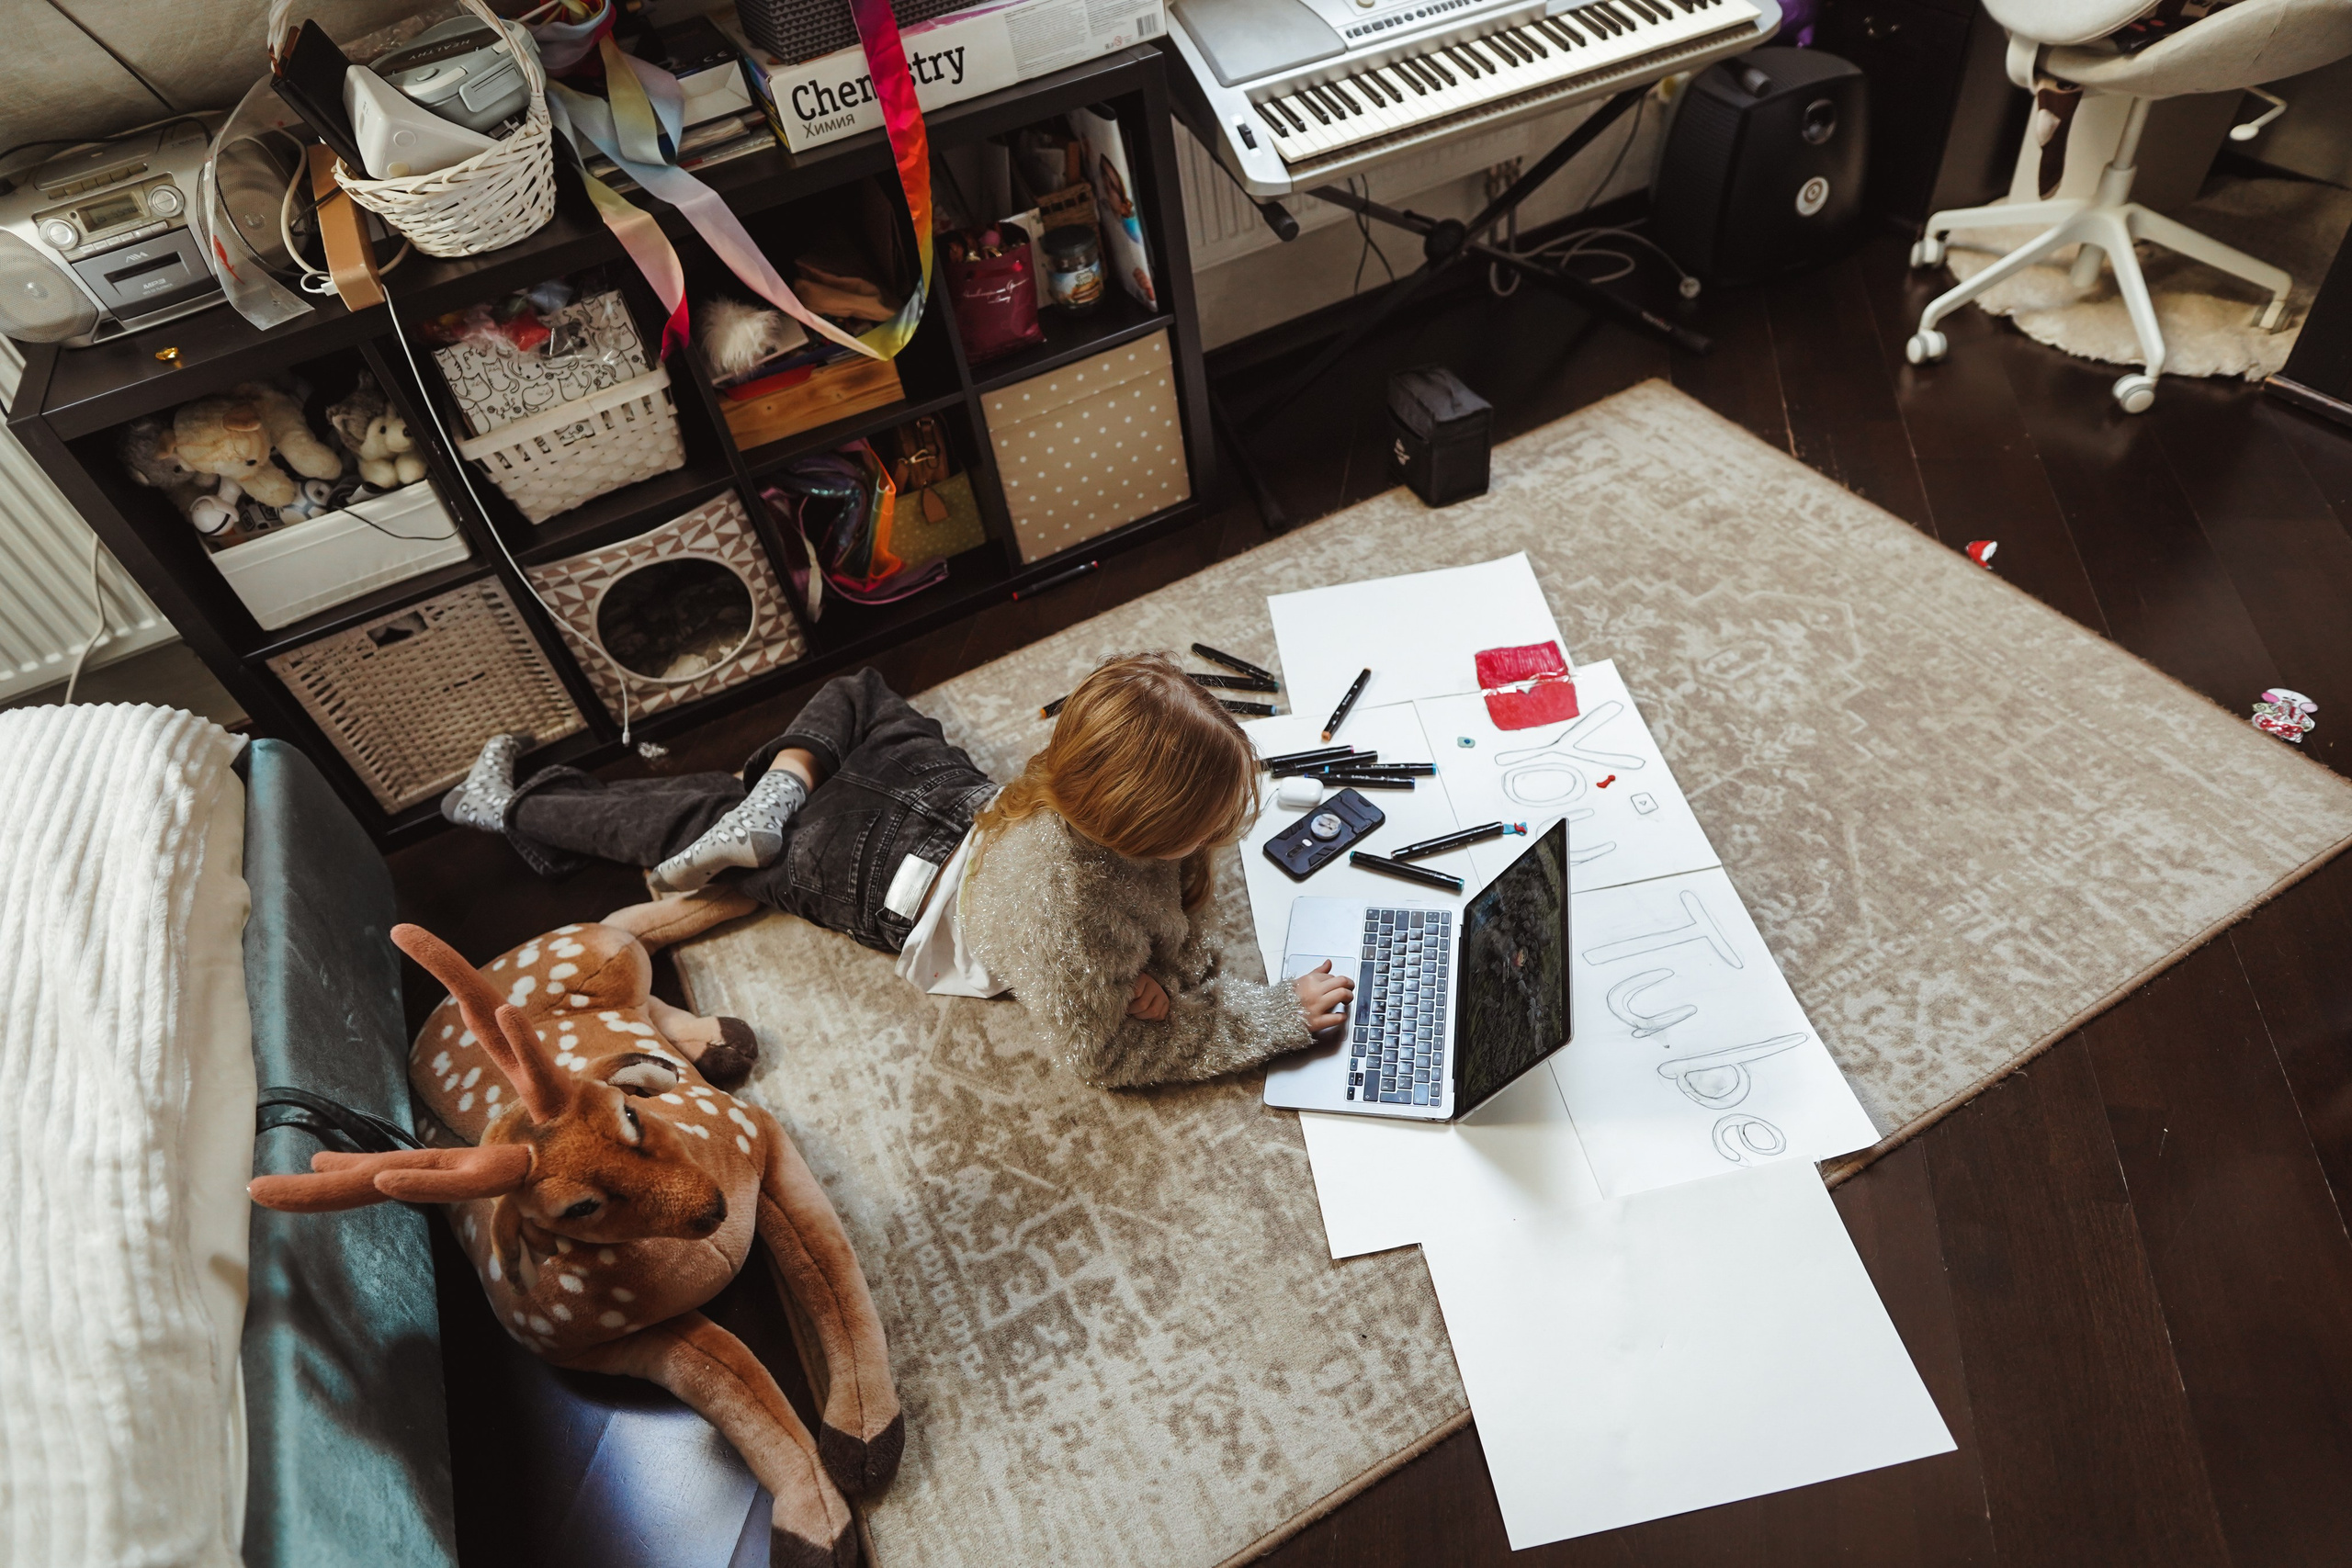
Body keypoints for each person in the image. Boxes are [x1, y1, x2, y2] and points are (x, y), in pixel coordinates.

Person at [439, 655, 1352, 1089]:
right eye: (1194, 828)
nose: (1211, 844)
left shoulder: (1071, 796)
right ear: (1131, 821)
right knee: (687, 812)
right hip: (876, 885)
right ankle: (511, 808)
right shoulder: (1071, 913)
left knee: (853, 703)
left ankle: (780, 786)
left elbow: (1154, 922)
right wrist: (1265, 1018)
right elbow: (1103, 1056)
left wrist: (1155, 975)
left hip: (955, 811)